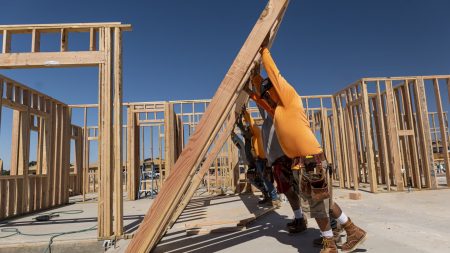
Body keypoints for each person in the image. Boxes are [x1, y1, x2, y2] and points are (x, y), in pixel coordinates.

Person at [253, 47, 367, 253]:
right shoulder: (278, 110)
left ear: (274, 91)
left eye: (268, 94)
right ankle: (352, 231)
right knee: (325, 202)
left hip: (310, 161)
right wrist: (253, 84)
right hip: (304, 162)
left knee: (318, 207)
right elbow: (263, 102)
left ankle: (330, 245)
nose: (267, 99)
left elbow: (274, 74)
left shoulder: (288, 98)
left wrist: (263, 51)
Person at [241, 109, 281, 207]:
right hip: (259, 159)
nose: (247, 131)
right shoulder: (252, 137)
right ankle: (269, 197)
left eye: (248, 129)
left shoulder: (257, 132)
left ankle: (274, 198)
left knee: (267, 179)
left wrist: (244, 113)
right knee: (262, 179)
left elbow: (251, 122)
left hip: (263, 160)